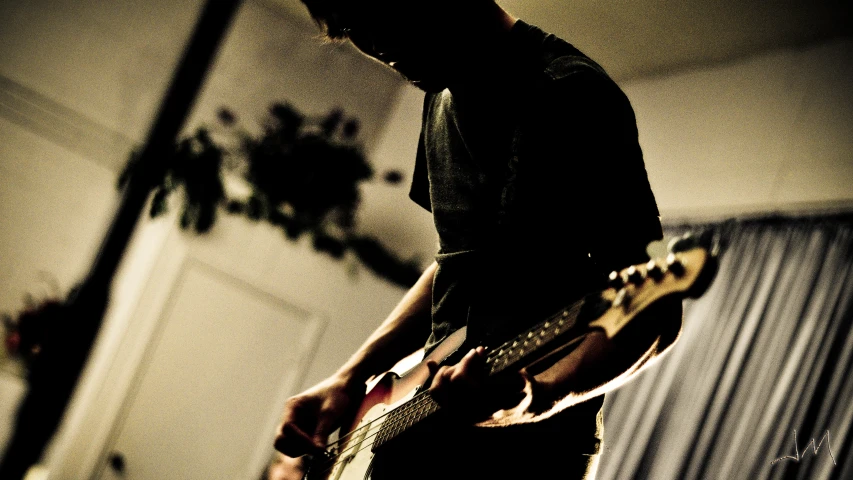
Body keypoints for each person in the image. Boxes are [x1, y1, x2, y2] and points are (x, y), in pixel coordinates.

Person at [274, 0, 682, 478]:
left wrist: (530, 402)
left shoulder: (571, 93)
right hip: (420, 437)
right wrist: (352, 375)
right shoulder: (440, 95)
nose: (373, 44)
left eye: (376, 9)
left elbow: (657, 312)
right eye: (349, 29)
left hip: (527, 458)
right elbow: (459, 264)